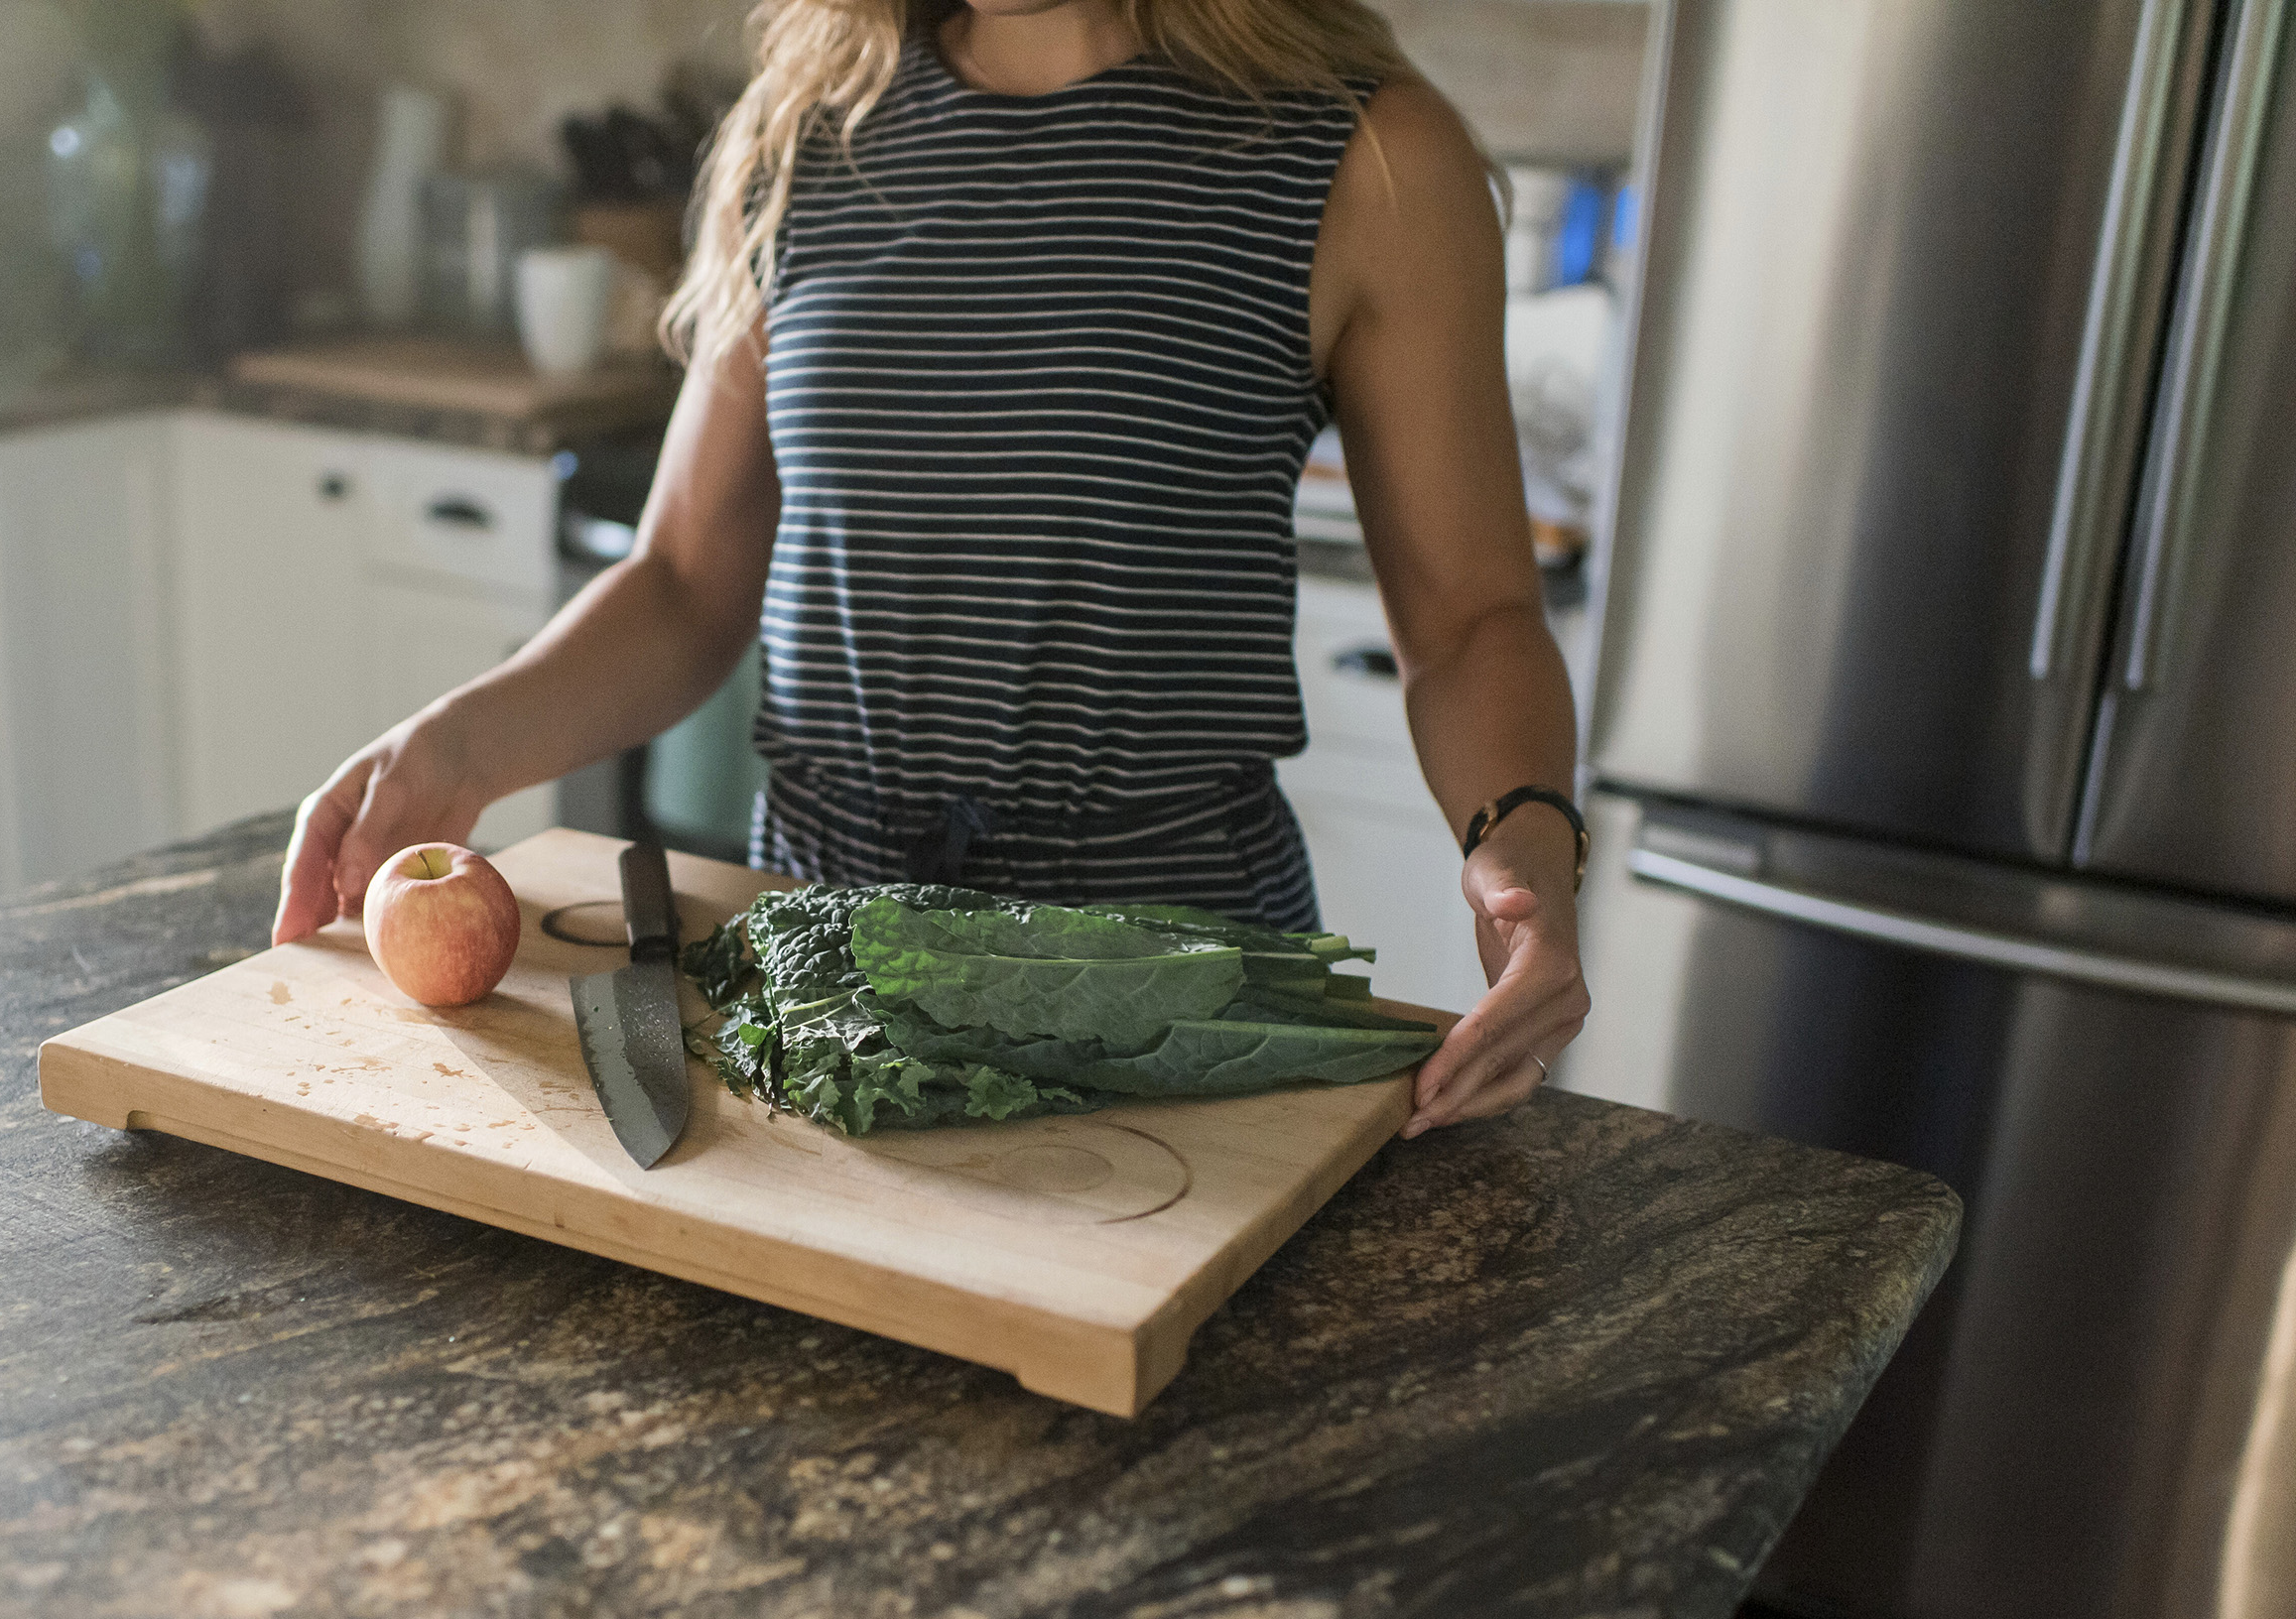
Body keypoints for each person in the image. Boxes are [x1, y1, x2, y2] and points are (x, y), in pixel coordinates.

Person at [274, 0, 1588, 1138]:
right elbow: (685, 576)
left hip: (1167, 985)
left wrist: (1525, 841)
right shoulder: (805, 130)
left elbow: (1472, 618)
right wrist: (463, 742)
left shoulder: (1362, 153)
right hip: (821, 963)